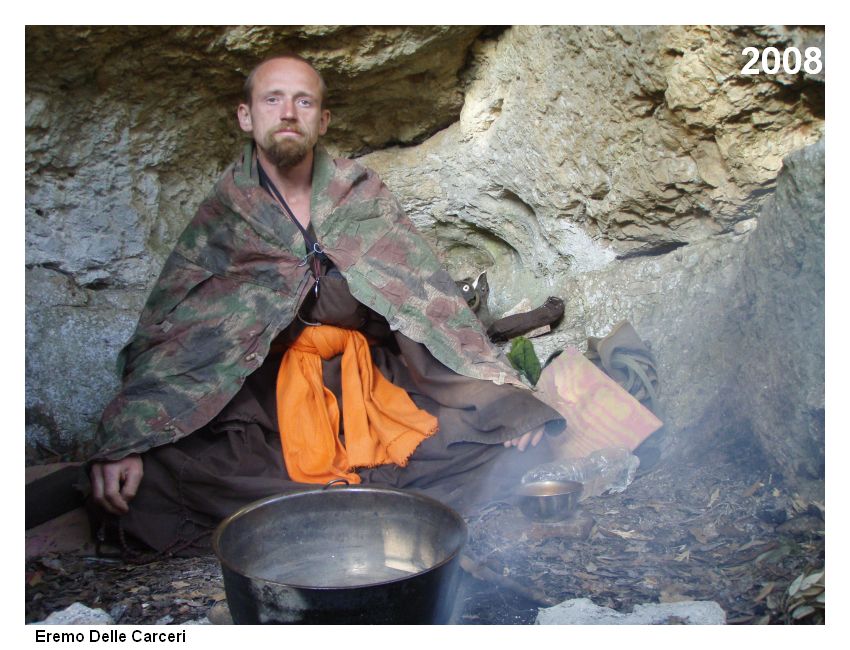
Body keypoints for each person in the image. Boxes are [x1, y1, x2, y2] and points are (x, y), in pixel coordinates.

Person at [85, 54, 566, 555]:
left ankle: (318, 514)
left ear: (323, 119)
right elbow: (176, 330)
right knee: (148, 484)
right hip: (264, 405)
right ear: (246, 116)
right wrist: (130, 438)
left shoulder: (360, 195)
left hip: (371, 386)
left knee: (512, 438)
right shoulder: (227, 215)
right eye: (273, 99)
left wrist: (506, 397)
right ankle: (363, 511)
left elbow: (431, 304)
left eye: (304, 101)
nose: (288, 113)